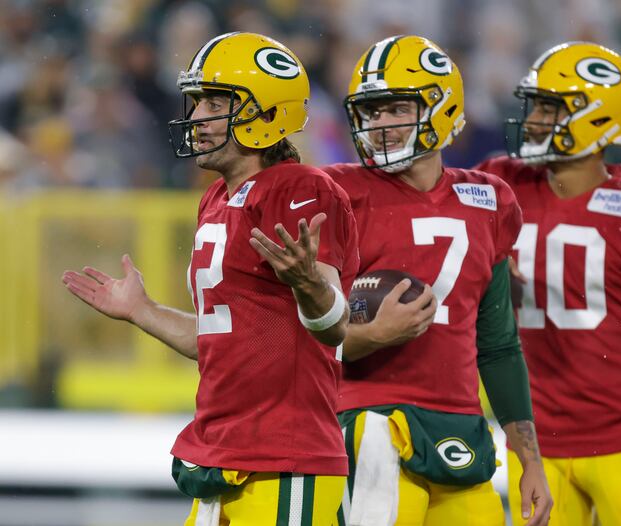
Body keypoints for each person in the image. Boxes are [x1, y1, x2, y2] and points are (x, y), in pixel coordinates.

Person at [62, 32, 359, 526]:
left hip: (284, 460)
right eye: (197, 101)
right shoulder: (216, 198)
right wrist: (144, 312)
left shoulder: (298, 187)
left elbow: (334, 325)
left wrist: (309, 285)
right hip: (223, 454)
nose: (197, 116)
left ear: (267, 113)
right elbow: (222, 339)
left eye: (215, 103)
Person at [322, 35, 552, 526]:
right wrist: (372, 336)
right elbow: (303, 336)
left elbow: (497, 345)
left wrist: (528, 456)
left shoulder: (489, 200)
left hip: (462, 427)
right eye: (372, 112)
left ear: (441, 108)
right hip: (369, 420)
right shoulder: (336, 193)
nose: (380, 125)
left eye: (396, 109)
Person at [475, 41, 621, 526]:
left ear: (598, 118)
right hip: (537, 446)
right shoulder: (499, 183)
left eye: (548, 108)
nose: (533, 119)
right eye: (534, 105)